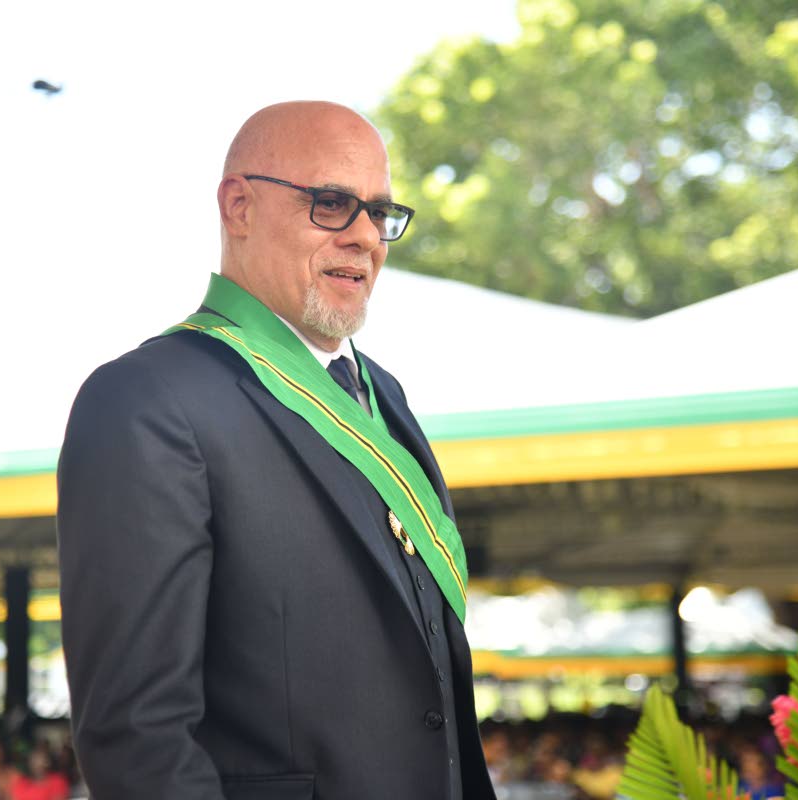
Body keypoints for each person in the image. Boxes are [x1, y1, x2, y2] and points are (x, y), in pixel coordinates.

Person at [58, 100, 495, 799]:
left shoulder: (383, 394)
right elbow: (138, 734)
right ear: (239, 206)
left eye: (378, 213)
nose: (363, 238)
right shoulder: (146, 400)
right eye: (331, 204)